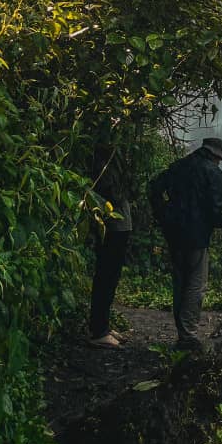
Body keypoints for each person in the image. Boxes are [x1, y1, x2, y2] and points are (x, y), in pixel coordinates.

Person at [149, 136, 222, 349]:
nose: (219, 162)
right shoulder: (213, 172)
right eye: (219, 158)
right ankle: (188, 335)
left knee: (180, 282)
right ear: (214, 155)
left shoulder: (179, 166)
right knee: (196, 283)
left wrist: (163, 214)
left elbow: (154, 187)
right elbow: (215, 207)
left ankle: (182, 332)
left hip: (174, 233)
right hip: (197, 235)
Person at [89, 141, 132, 348]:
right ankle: (99, 330)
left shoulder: (112, 166)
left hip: (119, 228)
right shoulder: (104, 168)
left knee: (110, 278)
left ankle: (103, 326)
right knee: (106, 277)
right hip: (112, 228)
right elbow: (112, 194)